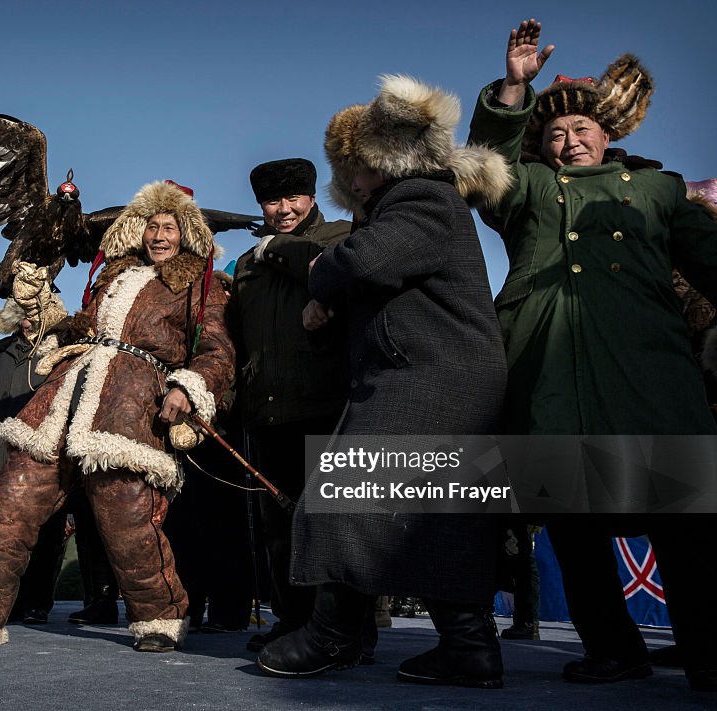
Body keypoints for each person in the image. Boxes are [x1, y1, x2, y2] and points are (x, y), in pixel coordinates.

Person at [467, 19, 717, 693]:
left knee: (683, 526)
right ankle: (614, 647)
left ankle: (708, 651)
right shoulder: (528, 191)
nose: (569, 141)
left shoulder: (661, 193)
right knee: (574, 528)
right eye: (555, 133)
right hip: (551, 378)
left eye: (581, 130)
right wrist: (513, 91)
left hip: (649, 377)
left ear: (609, 134)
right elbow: (483, 170)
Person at [256, 73, 512, 688]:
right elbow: (392, 277)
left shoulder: (421, 197)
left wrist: (321, 272)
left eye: (357, 168)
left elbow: (367, 260)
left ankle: (334, 635)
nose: (352, 181)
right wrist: (338, 302)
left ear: (379, 162)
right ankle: (467, 648)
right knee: (440, 511)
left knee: (347, 490)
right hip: (436, 375)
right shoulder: (418, 205)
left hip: (432, 377)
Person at [0, 180, 235, 653]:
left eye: (169, 226)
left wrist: (188, 388)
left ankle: (159, 618)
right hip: (62, 401)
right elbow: (80, 330)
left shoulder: (202, 285)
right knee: (7, 501)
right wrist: (42, 308)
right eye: (151, 225)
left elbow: (217, 351)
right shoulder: (109, 276)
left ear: (187, 232)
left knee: (128, 519)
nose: (159, 235)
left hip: (129, 408)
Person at [227, 158, 351, 651]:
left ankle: (345, 628)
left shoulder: (339, 235)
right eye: (272, 202)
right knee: (279, 528)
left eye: (293, 198)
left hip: (327, 404)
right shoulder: (249, 266)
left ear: (312, 196)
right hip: (268, 409)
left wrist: (274, 246)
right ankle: (291, 621)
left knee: (333, 522)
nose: (283, 209)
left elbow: (333, 271)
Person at [0, 294, 83, 624]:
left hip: (43, 456)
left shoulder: (64, 352)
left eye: (36, 309)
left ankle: (36, 601)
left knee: (45, 532)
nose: (29, 316)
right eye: (23, 309)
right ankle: (4, 599)